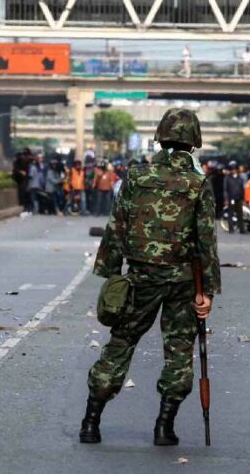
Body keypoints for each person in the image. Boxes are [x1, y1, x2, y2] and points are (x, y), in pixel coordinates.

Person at [80, 108, 221, 445]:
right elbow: (206, 242)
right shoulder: (198, 183)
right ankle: (164, 426)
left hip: (141, 278)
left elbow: (117, 227)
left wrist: (111, 274)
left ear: (160, 137)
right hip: (183, 283)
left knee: (121, 343)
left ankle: (90, 422)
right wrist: (209, 292)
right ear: (194, 142)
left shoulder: (137, 177)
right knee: (179, 351)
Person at [223, 161, 246, 233]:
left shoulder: (240, 178)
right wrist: (226, 199)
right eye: (232, 169)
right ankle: (231, 229)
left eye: (235, 169)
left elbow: (242, 189)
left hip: (239, 198)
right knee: (231, 214)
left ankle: (242, 229)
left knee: (240, 214)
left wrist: (243, 198)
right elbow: (225, 190)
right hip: (231, 198)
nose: (234, 170)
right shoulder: (227, 178)